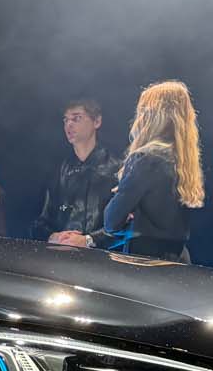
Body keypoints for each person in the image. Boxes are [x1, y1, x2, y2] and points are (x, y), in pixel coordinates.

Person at [51, 81, 203, 261]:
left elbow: (111, 221)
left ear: (152, 114)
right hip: (178, 259)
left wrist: (123, 194)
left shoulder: (145, 157)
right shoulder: (184, 160)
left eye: (143, 110)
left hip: (146, 260)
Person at [35, 96, 121, 240]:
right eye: (66, 120)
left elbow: (124, 223)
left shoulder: (117, 168)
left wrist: (89, 240)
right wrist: (53, 236)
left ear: (97, 121)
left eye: (77, 118)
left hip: (100, 253)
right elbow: (41, 221)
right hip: (61, 251)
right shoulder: (59, 170)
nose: (69, 124)